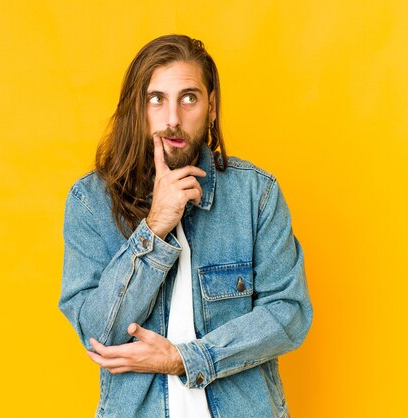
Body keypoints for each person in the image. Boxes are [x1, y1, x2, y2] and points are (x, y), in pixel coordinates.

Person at [59, 34, 312, 418]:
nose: (172, 118)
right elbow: (100, 335)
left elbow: (289, 313)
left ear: (211, 108)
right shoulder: (90, 202)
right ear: (136, 108)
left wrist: (186, 359)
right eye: (155, 98)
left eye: (189, 97)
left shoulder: (256, 193)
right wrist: (155, 226)